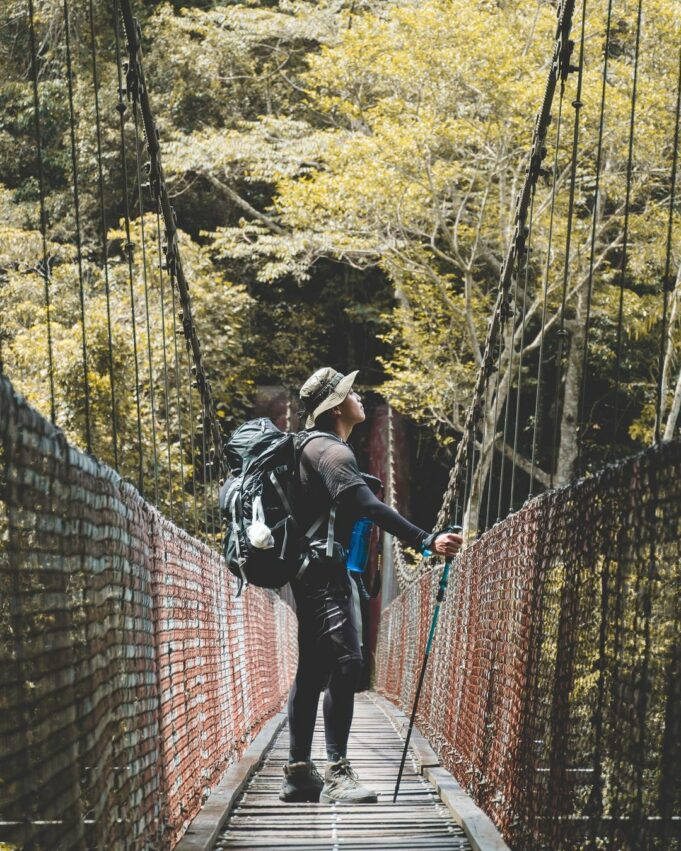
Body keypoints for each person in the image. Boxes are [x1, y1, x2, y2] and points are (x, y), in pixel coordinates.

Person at [279, 367, 463, 805]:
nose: (358, 396)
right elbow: (366, 504)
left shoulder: (305, 447)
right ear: (337, 405)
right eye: (350, 392)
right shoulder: (332, 453)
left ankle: (299, 775)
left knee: (312, 672)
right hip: (327, 577)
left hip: (307, 575)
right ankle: (338, 773)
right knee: (347, 665)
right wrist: (425, 540)